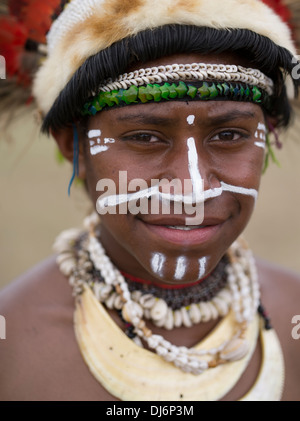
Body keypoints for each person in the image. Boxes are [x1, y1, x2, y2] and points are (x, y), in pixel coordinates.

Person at [0, 0, 300, 402]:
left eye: (229, 135)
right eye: (144, 137)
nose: (192, 189)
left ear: (267, 137)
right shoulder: (12, 345)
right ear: (74, 146)